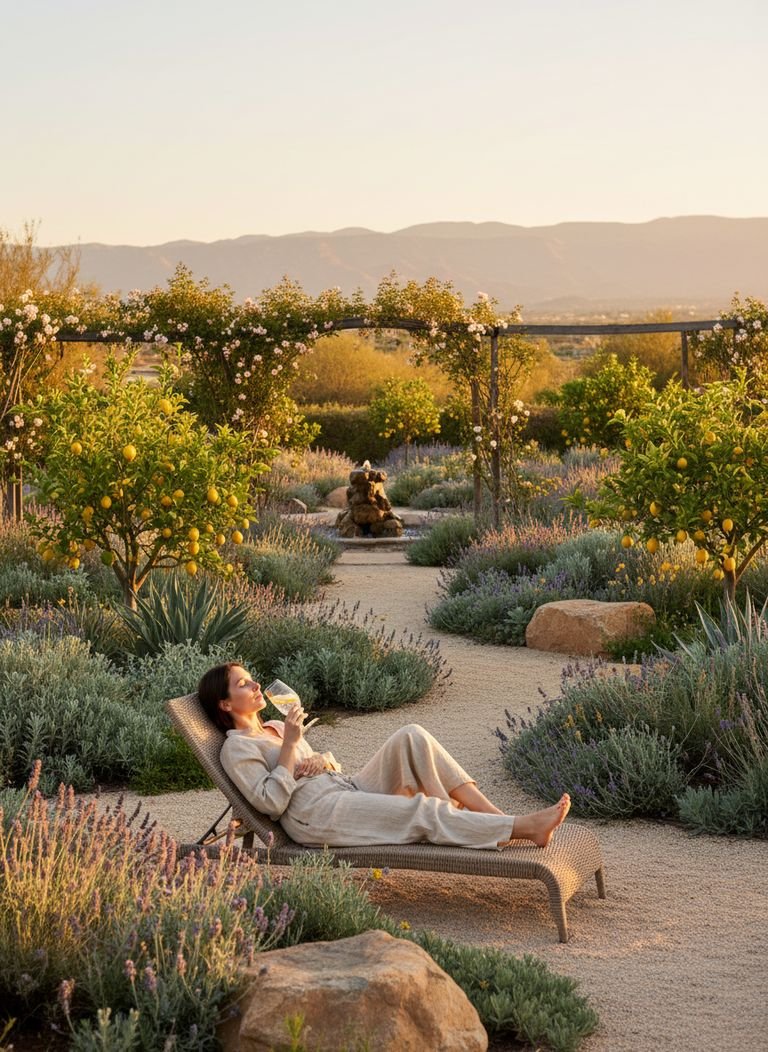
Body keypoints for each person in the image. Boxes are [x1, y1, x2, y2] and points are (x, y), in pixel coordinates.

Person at [198, 662, 570, 851]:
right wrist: (293, 747)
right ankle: (523, 829)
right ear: (226, 703)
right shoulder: (237, 747)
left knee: (412, 736)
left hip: (342, 788)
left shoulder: (274, 729)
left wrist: (320, 760)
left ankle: (495, 819)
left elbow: (321, 765)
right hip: (314, 815)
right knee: (420, 810)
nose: (256, 684)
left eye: (252, 678)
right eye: (243, 683)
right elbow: (271, 804)